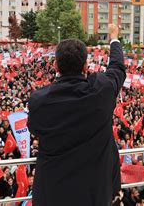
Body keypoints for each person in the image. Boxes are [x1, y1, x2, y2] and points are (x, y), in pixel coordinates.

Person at [28, 24, 126, 206]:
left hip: (52, 193)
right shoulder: (101, 91)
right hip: (93, 193)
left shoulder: (39, 100)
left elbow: (34, 128)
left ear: (56, 66)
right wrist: (114, 38)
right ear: (85, 66)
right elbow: (117, 68)